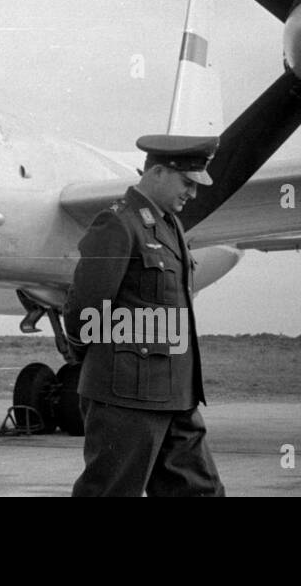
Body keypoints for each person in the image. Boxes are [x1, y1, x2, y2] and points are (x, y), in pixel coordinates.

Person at [61, 134, 225, 497]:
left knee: (201, 492)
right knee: (111, 491)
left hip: (176, 393)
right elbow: (86, 307)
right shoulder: (118, 224)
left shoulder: (170, 226)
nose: (192, 194)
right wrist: (90, 357)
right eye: (187, 183)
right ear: (159, 173)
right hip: (126, 394)